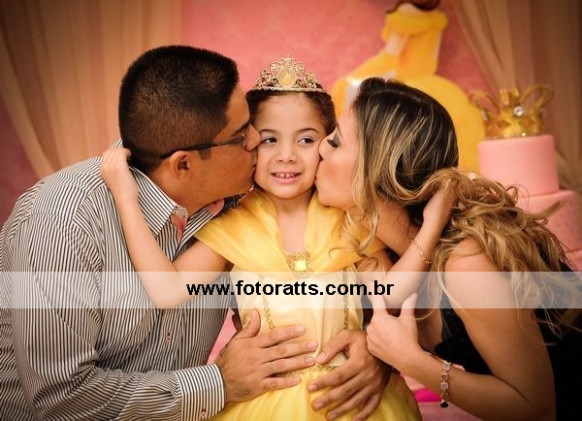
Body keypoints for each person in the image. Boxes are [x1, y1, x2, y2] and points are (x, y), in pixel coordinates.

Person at [0, 46, 380, 420]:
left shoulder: (241, 196)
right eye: (244, 136)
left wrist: (375, 351)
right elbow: (62, 398)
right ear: (183, 165)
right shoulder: (64, 220)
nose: (261, 146)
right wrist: (220, 383)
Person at [99, 58, 455, 420]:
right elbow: (166, 289)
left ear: (327, 144)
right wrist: (127, 199)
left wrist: (432, 225)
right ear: (249, 143)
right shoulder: (233, 225)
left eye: (306, 139)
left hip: (350, 399)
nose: (287, 155)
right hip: (264, 404)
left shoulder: (348, 220)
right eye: (270, 139)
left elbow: (391, 294)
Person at [316, 77, 582, 420]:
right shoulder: (379, 253)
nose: (320, 148)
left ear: (376, 171)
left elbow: (539, 408)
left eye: (336, 141)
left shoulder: (467, 263)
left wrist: (412, 361)